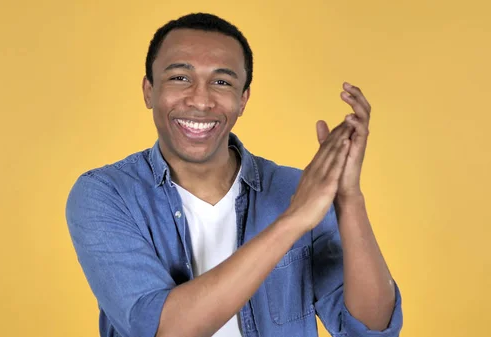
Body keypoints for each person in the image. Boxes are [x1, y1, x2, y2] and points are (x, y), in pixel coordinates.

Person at [65, 12, 403, 337]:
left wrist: (348, 199)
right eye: (180, 77)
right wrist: (292, 221)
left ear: (243, 100)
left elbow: (370, 328)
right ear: (148, 90)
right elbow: (162, 330)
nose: (200, 100)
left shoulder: (298, 190)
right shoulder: (106, 194)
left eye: (222, 82)